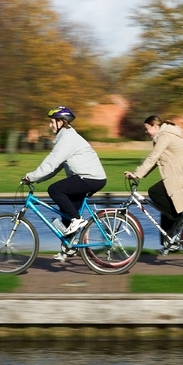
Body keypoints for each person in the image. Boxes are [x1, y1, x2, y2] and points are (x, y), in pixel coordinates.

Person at [24, 106, 107, 259]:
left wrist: (31, 176)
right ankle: (70, 246)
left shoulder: (67, 139)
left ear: (61, 122)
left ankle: (77, 220)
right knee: (66, 211)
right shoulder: (67, 138)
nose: (50, 125)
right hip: (88, 178)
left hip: (89, 178)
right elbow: (55, 169)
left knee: (55, 190)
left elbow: (51, 163)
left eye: (52, 122)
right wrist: (37, 179)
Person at [124, 116, 183, 250]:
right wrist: (138, 174)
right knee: (165, 207)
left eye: (147, 129)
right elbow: (155, 161)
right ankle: (170, 243)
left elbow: (153, 157)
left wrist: (137, 174)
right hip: (180, 176)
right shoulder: (164, 136)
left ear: (155, 127)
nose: (146, 132)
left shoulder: (165, 136)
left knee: (155, 192)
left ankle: (178, 220)